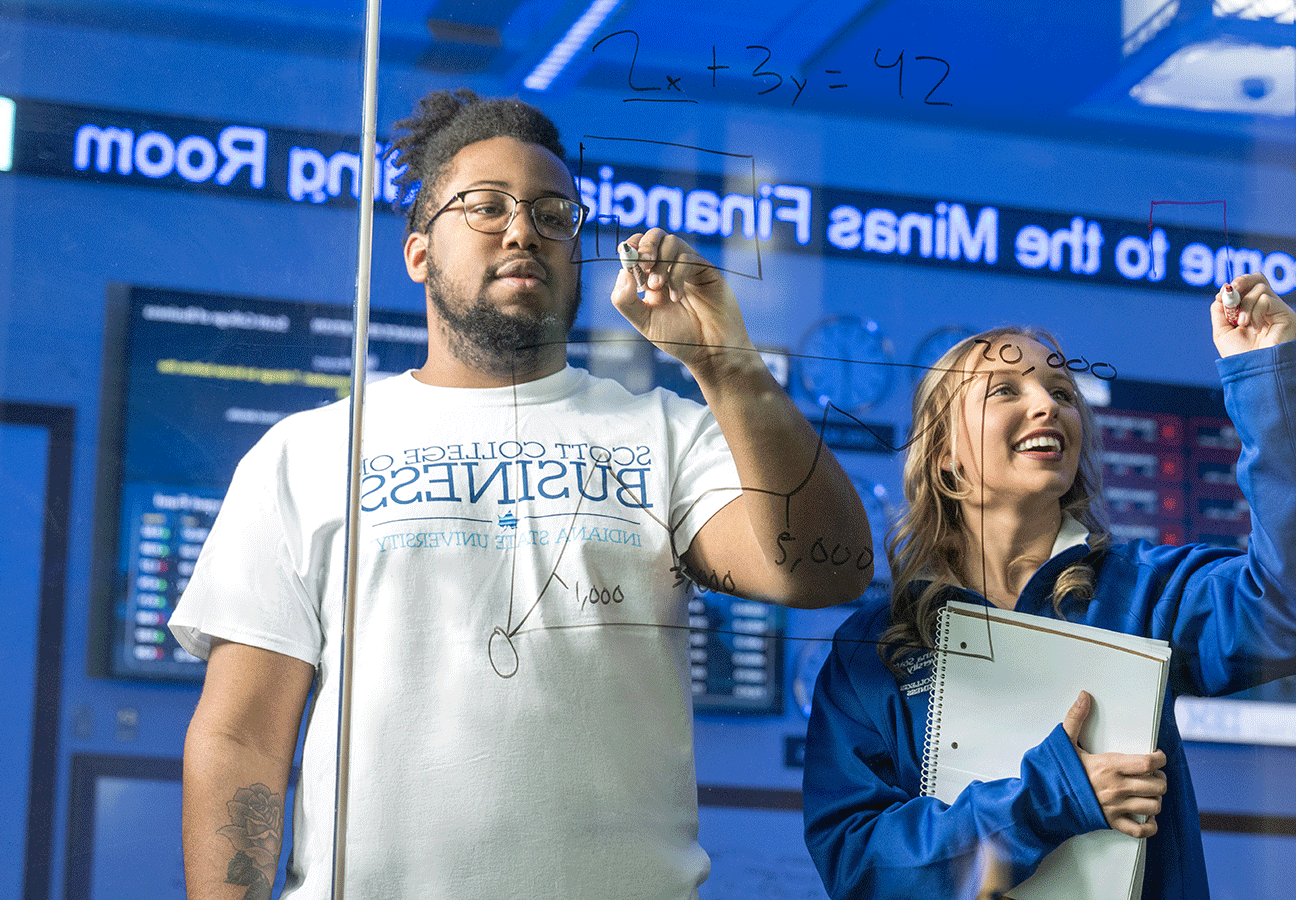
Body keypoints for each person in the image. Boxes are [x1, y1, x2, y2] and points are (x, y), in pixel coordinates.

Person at [172, 90, 872, 900]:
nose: (522, 230)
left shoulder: (666, 434)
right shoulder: (308, 452)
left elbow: (826, 571)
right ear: (418, 253)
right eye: (485, 206)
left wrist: (730, 368)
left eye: (552, 213)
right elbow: (241, 739)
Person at [800, 274, 1296, 900]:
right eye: (1006, 390)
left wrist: (1264, 376)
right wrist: (1053, 798)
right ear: (945, 456)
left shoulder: (1146, 593)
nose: (1048, 405)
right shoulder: (874, 650)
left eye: (1062, 391)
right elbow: (859, 865)